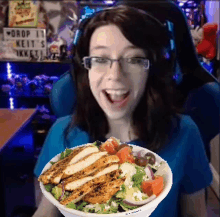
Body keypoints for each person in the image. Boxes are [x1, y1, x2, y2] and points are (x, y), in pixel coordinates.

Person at [33, 4, 212, 217]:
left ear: (151, 70)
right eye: (100, 59)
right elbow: (46, 212)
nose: (115, 75)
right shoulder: (61, 134)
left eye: (133, 59)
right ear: (85, 69)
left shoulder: (185, 133)